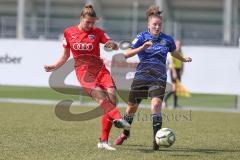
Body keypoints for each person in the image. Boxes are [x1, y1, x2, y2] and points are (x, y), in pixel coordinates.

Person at [44, 4, 130, 151]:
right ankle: (118, 118)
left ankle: (103, 141)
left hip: (101, 70)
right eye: (87, 22)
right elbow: (65, 55)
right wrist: (55, 66)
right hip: (83, 72)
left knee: (112, 101)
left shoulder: (98, 32)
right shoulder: (68, 32)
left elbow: (113, 45)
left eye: (92, 22)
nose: (90, 25)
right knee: (102, 99)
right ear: (81, 18)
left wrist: (112, 45)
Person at [114, 5, 192, 150]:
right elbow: (126, 54)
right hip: (142, 76)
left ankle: (156, 141)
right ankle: (125, 133)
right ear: (148, 25)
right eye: (154, 24)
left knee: (156, 106)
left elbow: (174, 53)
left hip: (159, 77)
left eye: (159, 25)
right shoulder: (141, 37)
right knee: (131, 108)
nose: (157, 27)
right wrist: (142, 48)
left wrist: (183, 59)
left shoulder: (167, 39)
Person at [164, 40, 184, 108]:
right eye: (178, 44)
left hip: (178, 70)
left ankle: (175, 105)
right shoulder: (173, 52)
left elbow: (182, 62)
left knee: (177, 89)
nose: (179, 46)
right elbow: (172, 63)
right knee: (174, 88)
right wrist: (174, 72)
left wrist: (181, 71)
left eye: (180, 44)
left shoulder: (181, 52)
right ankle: (164, 100)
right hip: (173, 71)